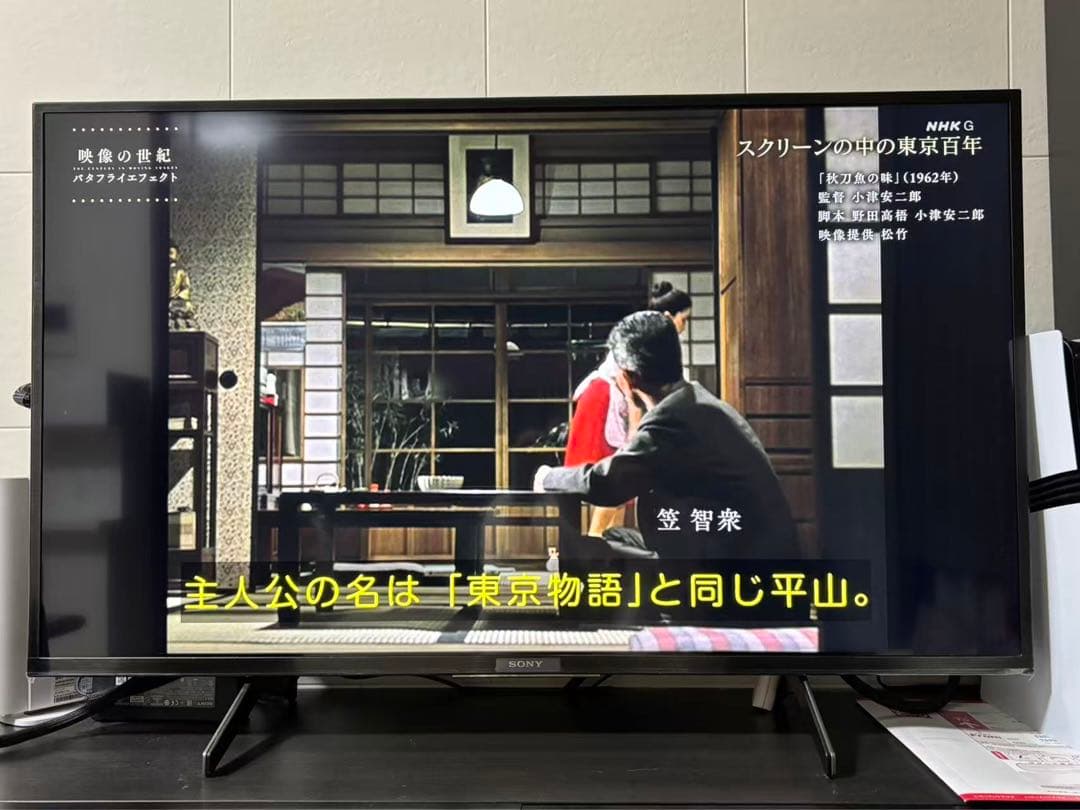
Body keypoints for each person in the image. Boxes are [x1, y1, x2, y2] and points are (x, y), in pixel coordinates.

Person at [535, 310, 798, 564]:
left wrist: (548, 478)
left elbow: (610, 482)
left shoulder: (674, 417)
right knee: (614, 536)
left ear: (627, 377)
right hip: (737, 548)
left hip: (733, 570)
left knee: (589, 554)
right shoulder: (695, 401)